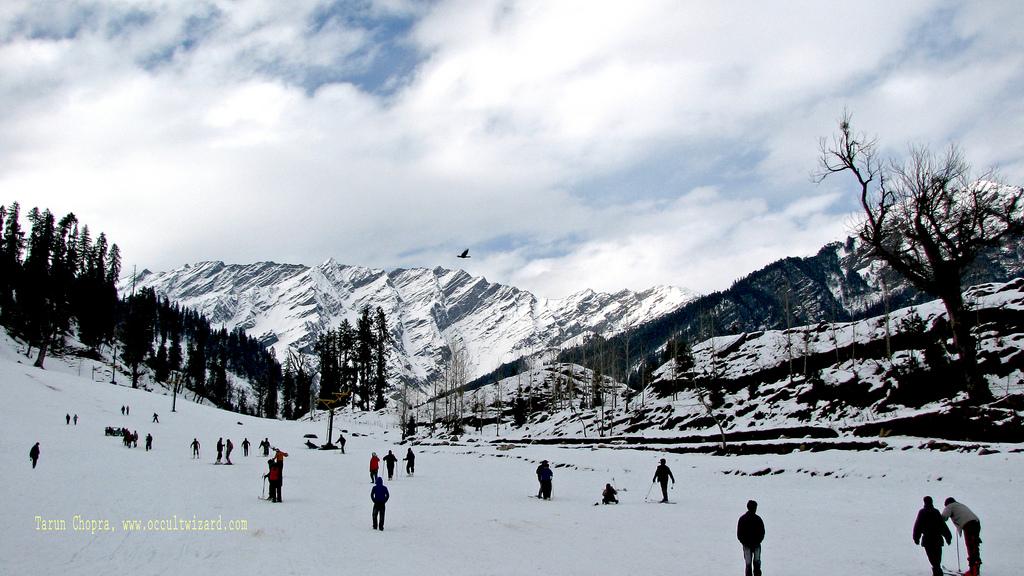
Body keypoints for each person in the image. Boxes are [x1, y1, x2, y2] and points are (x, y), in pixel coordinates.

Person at [942, 497, 982, 575]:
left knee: (970, 547)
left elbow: (944, 517)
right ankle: (976, 569)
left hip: (968, 525)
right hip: (976, 523)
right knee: (974, 546)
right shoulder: (960, 505)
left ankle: (972, 571)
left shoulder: (950, 506)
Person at [914, 496, 952, 576]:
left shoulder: (922, 512)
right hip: (937, 538)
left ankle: (937, 570)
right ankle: (937, 569)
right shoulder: (936, 512)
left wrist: (916, 537)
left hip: (927, 539)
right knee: (937, 556)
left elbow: (918, 525)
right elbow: (943, 525)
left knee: (931, 556)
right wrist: (948, 536)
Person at [737, 500, 765, 576]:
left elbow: (739, 534)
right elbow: (762, 533)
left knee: (748, 565)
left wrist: (745, 542)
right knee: (756, 564)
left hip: (747, 545)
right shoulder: (758, 519)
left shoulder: (742, 519)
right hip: (755, 545)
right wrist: (758, 541)